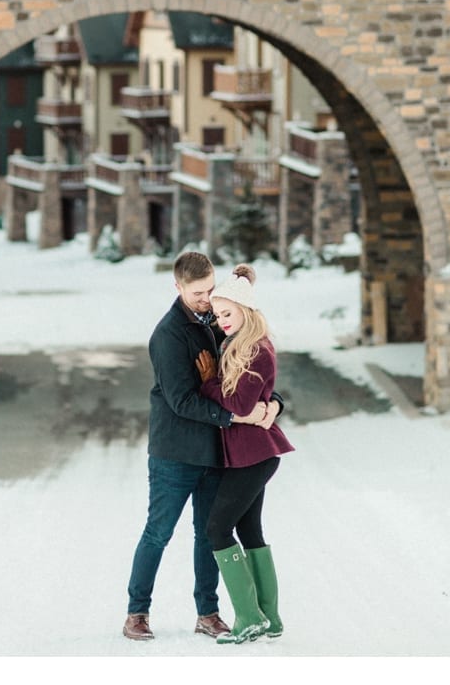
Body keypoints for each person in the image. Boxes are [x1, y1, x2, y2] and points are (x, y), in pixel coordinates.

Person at [123, 254, 280, 642]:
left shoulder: (220, 321)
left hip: (215, 453)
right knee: (158, 532)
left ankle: (207, 612)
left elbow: (246, 378)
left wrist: (275, 404)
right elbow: (182, 401)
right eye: (198, 293)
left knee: (208, 535)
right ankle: (137, 612)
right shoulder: (168, 335)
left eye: (211, 290)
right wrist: (235, 418)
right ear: (177, 287)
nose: (206, 299)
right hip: (174, 453)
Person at [193, 272, 295, 644]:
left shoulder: (256, 349)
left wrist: (208, 383)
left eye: (226, 313)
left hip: (255, 454)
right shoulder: (240, 343)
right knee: (249, 531)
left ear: (245, 310)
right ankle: (270, 618)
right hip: (248, 454)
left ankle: (249, 617)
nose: (221, 321)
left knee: (216, 529)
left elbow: (239, 403)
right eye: (218, 315)